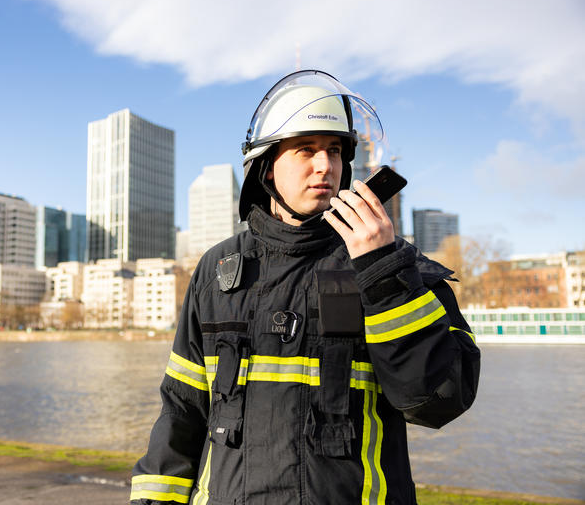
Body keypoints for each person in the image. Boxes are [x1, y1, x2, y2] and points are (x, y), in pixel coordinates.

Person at [130, 70, 480, 505]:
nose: (326, 166)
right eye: (306, 150)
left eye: (334, 151)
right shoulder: (218, 270)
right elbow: (182, 410)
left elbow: (439, 401)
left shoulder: (396, 264)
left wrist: (383, 274)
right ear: (266, 166)